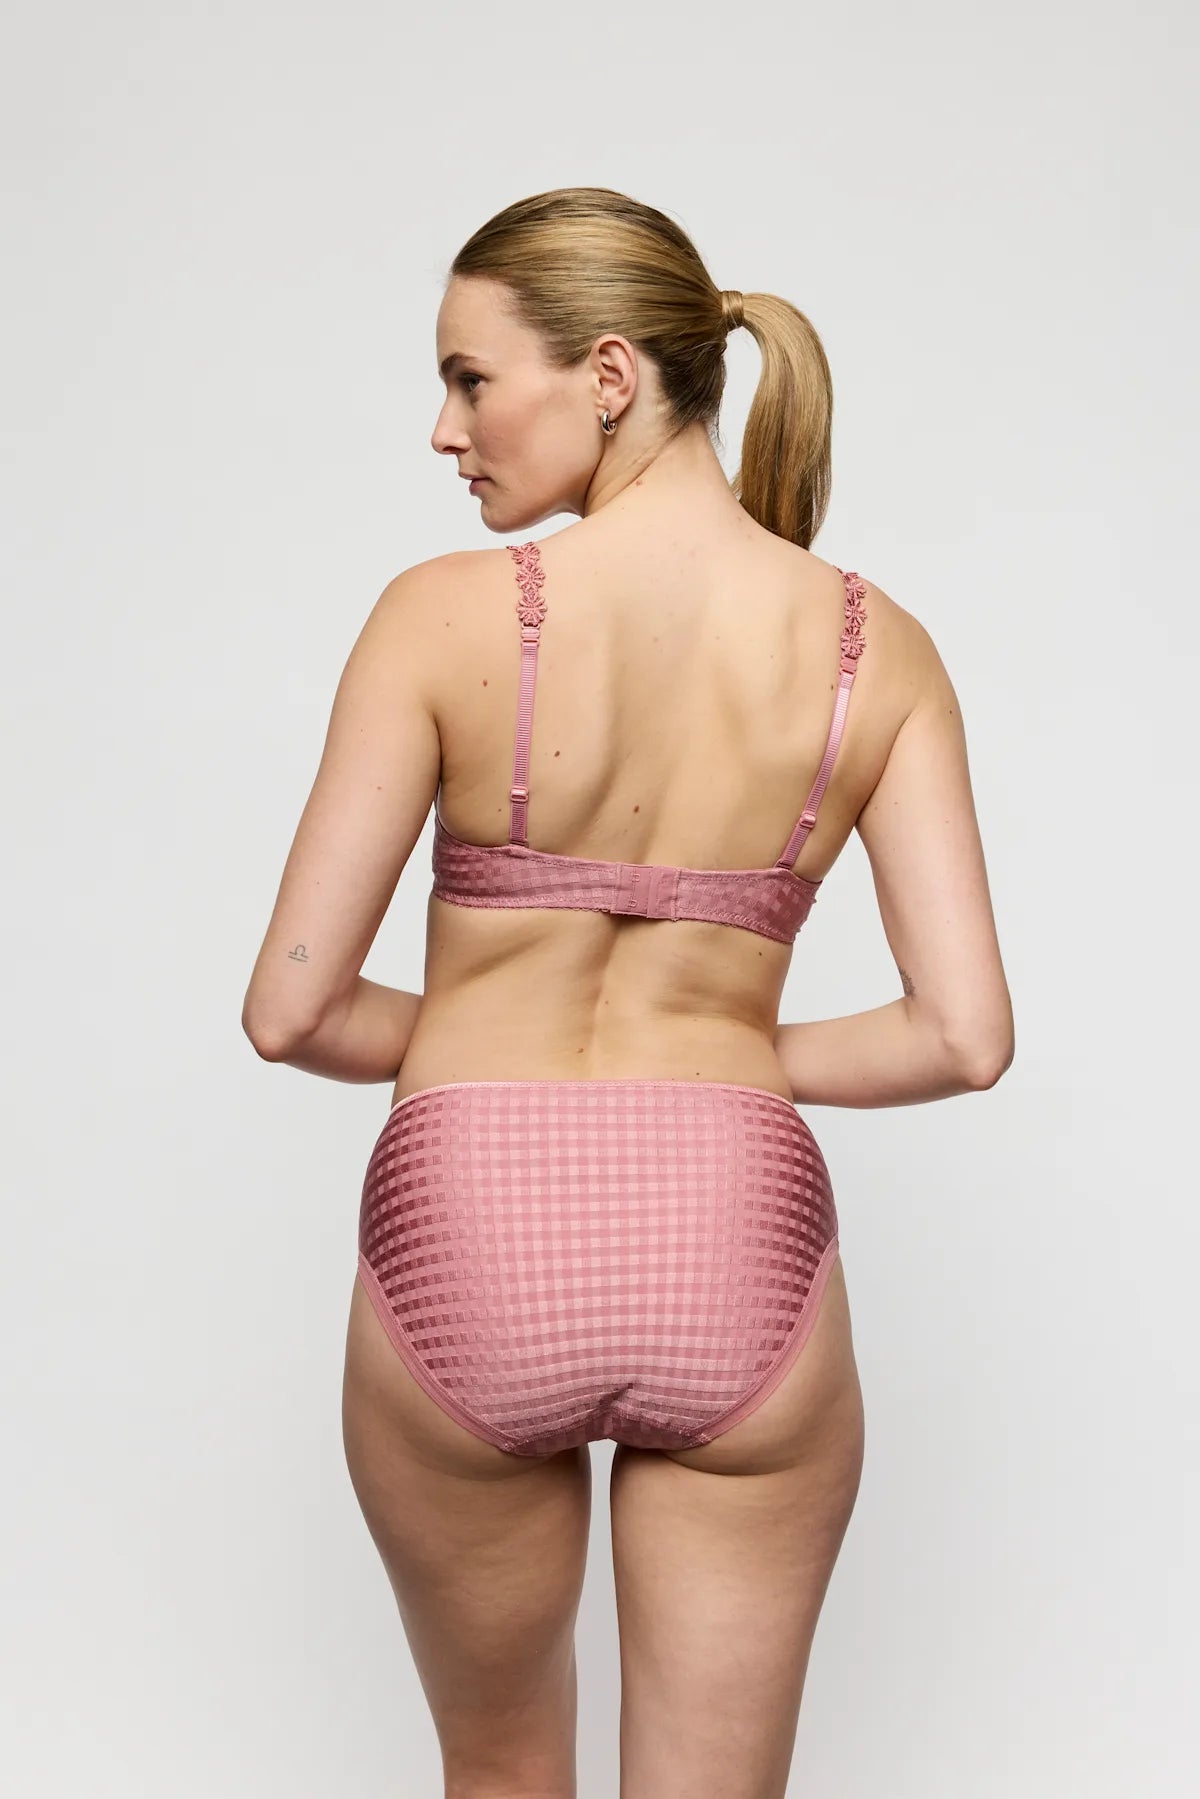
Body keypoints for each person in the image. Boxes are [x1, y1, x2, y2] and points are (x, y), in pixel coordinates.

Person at [242, 185, 1014, 1799]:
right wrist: (722, 1048)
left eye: (470, 379)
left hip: (471, 1226)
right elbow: (964, 1035)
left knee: (501, 1775)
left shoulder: (439, 619)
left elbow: (292, 1009)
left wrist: (478, 1038)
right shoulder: (881, 649)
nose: (445, 429)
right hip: (736, 1229)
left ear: (608, 375)